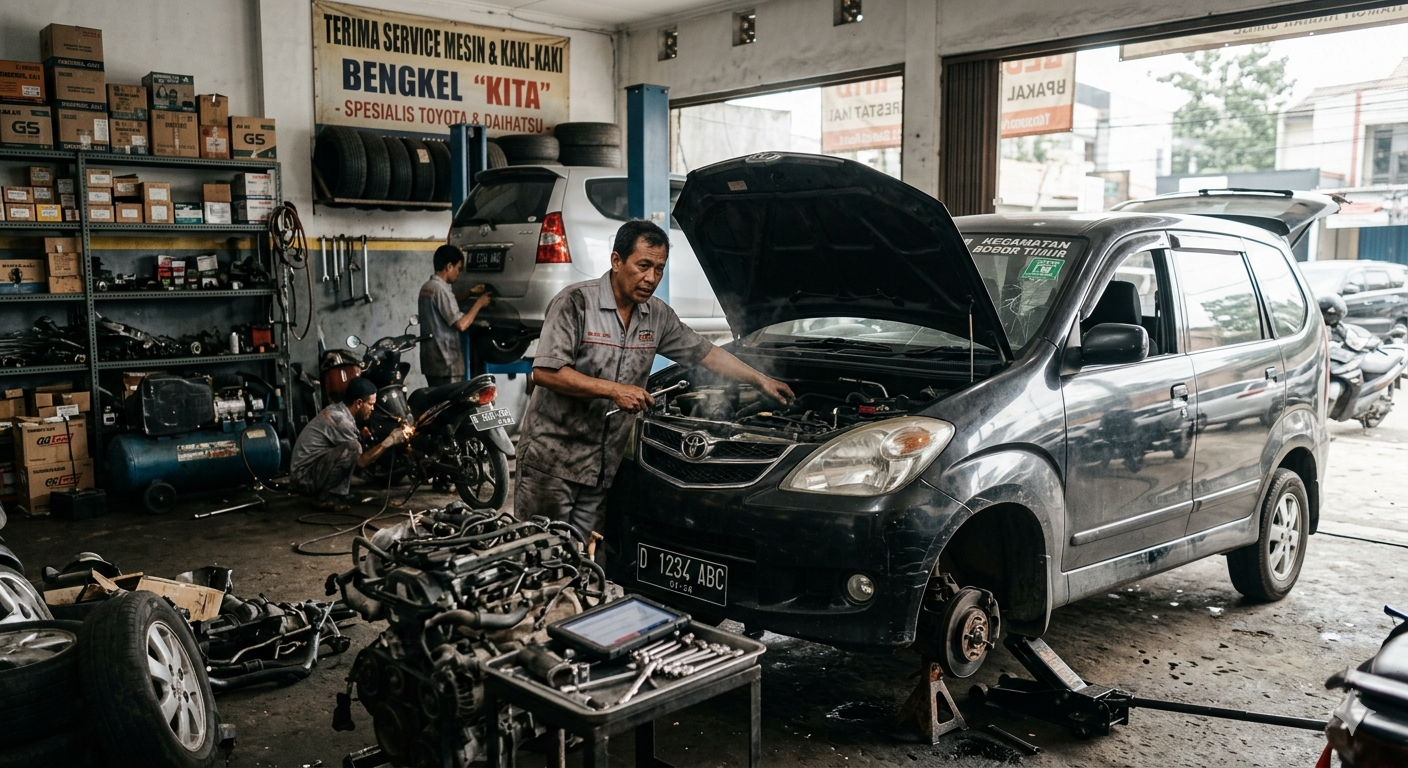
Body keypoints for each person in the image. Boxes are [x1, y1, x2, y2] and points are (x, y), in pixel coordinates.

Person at [515, 219, 794, 536]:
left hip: (602, 466)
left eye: (659, 269)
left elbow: (706, 353)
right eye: (643, 265)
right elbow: (547, 373)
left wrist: (761, 380)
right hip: (551, 463)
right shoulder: (575, 302)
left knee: (584, 559)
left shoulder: (658, 315)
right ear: (617, 261)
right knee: (540, 555)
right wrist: (615, 391)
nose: (651, 278)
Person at [289, 377, 410, 510]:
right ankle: (326, 498)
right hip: (304, 479)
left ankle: (332, 494)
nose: (373, 408)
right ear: (358, 403)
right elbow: (360, 463)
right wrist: (389, 441)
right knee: (354, 448)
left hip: (308, 472)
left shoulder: (338, 411)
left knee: (354, 445)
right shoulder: (340, 420)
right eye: (370, 404)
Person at [419, 244, 493, 387]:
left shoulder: (427, 287)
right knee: (450, 406)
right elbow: (461, 324)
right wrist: (479, 303)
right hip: (447, 362)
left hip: (431, 362)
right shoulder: (441, 290)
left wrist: (470, 292)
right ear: (449, 266)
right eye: (458, 268)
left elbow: (445, 305)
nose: (459, 273)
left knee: (437, 404)